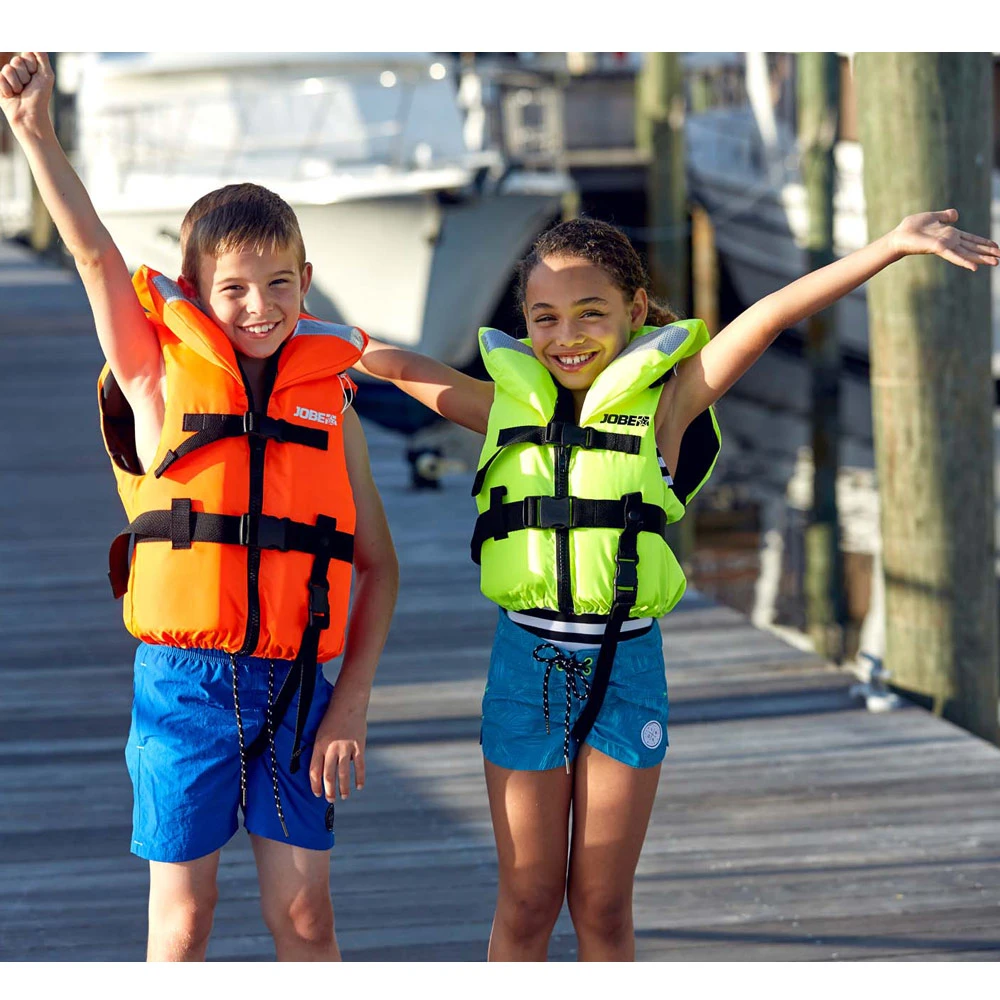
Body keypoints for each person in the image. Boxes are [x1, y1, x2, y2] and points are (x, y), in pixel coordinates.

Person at [354, 202, 997, 960]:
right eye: (545, 318)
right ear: (524, 325)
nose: (566, 336)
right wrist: (278, 319)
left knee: (602, 904)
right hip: (527, 668)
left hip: (626, 667)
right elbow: (388, 362)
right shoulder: (501, 406)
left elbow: (768, 317)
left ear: (634, 311)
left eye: (590, 313)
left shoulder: (669, 406)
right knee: (527, 899)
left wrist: (888, 247)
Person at [0, 52, 399, 962]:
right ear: (196, 293)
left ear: (306, 278)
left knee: (307, 918)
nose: (259, 307)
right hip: (185, 688)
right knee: (184, 921)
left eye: (279, 284)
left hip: (298, 688)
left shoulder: (330, 407)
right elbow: (93, 255)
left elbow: (380, 566)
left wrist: (350, 705)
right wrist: (34, 131)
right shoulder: (154, 381)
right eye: (233, 289)